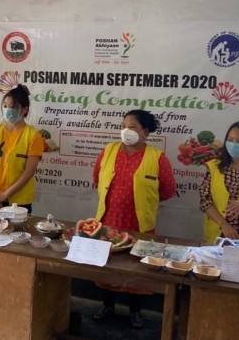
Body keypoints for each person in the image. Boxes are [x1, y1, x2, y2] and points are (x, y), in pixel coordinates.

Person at [91, 109, 176, 329]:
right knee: (107, 266)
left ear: (145, 132)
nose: (125, 131)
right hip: (109, 220)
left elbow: (167, 190)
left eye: (132, 127)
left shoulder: (157, 157)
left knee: (137, 267)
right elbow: (96, 178)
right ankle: (107, 305)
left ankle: (136, 311)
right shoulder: (109, 150)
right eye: (123, 126)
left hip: (140, 224)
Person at [0, 85, 44, 211]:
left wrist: (5, 195)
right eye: (5, 106)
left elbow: (29, 172)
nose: (8, 110)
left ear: (25, 109)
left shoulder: (33, 136)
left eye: (13, 107)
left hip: (18, 202)